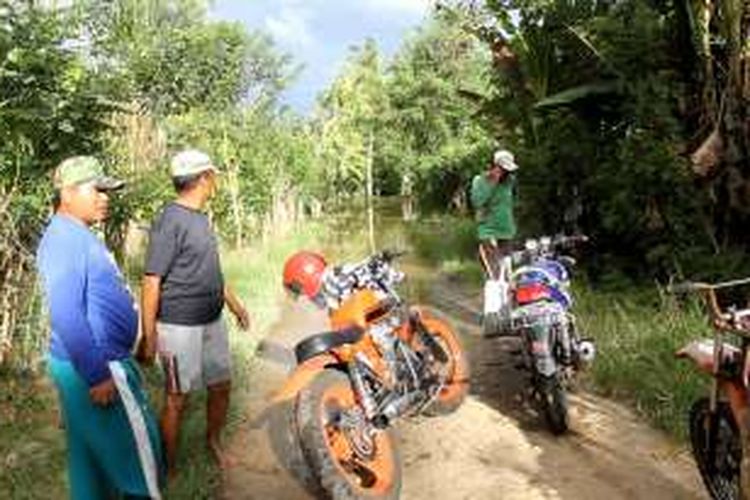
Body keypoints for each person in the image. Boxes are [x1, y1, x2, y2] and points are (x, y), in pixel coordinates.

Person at [37, 156, 163, 500]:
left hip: (92, 362)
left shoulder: (74, 233)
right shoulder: (65, 239)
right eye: (98, 189)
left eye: (108, 191)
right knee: (139, 461)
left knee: (89, 464)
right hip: (100, 366)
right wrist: (96, 375)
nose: (106, 197)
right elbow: (65, 313)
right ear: (67, 193)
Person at [138, 149, 250, 478]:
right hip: (178, 326)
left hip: (212, 321)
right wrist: (150, 335)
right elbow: (151, 280)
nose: (214, 181)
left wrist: (233, 303)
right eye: (212, 175)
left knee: (221, 385)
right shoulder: (169, 220)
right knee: (177, 398)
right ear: (203, 178)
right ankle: (168, 467)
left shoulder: (201, 218)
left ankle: (213, 442)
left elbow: (209, 270)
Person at [470, 149, 519, 279]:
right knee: (494, 274)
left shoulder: (510, 181)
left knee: (508, 274)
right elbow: (478, 201)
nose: (507, 173)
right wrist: (492, 182)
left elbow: (509, 203)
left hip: (506, 231)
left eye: (508, 171)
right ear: (495, 166)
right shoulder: (479, 180)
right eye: (504, 169)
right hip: (488, 231)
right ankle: (493, 297)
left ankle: (506, 299)